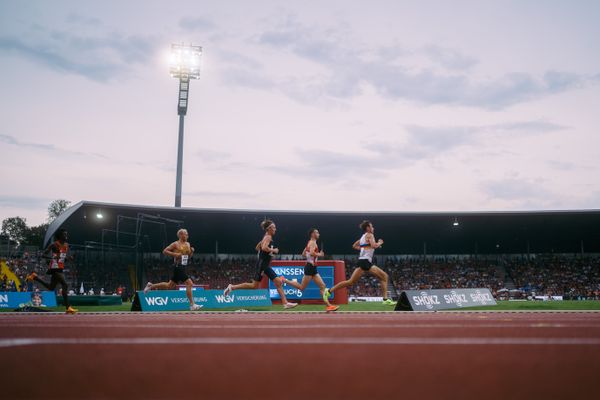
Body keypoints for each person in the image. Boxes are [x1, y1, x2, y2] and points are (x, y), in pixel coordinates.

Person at [223, 219, 297, 309]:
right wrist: (273, 250)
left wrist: (265, 248)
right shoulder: (268, 237)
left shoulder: (266, 237)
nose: (275, 229)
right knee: (254, 286)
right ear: (269, 228)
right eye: (274, 227)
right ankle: (232, 287)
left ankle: (285, 303)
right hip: (262, 265)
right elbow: (264, 247)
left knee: (278, 282)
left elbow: (257, 247)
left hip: (265, 265)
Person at [324, 220, 396, 306]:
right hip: (366, 261)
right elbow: (373, 246)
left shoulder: (362, 237)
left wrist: (365, 248)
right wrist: (380, 242)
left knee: (350, 281)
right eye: (372, 226)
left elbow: (354, 246)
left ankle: (328, 291)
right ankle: (385, 299)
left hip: (361, 261)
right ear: (368, 228)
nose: (373, 228)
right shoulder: (370, 235)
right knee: (384, 276)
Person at [280, 228, 339, 312]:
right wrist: (320, 254)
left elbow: (303, 254)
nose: (319, 234)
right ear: (312, 234)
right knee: (301, 287)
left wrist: (311, 256)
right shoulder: (313, 243)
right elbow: (311, 253)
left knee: (322, 286)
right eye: (317, 232)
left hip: (312, 267)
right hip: (310, 267)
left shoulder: (309, 242)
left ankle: (328, 306)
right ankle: (284, 280)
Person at [143, 229, 202, 311]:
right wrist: (175, 254)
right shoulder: (175, 244)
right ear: (181, 235)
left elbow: (188, 257)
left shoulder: (188, 244)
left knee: (169, 285)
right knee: (189, 283)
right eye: (186, 234)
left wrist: (191, 252)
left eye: (187, 234)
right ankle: (192, 305)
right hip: (178, 266)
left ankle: (151, 286)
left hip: (183, 266)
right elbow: (164, 251)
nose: (187, 236)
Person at [26, 229, 78, 314]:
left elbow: (62, 259)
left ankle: (34, 277)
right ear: (60, 236)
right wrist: (52, 258)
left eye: (66, 234)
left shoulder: (66, 245)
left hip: (60, 267)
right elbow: (43, 255)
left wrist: (69, 258)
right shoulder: (54, 245)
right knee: (65, 284)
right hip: (54, 267)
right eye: (64, 234)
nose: (66, 236)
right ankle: (68, 307)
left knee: (51, 287)